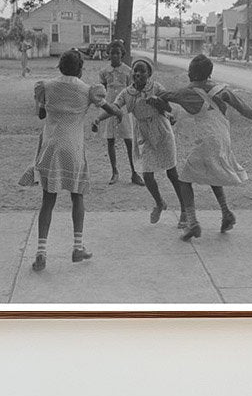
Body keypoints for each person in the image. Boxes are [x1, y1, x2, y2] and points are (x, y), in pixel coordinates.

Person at [148, 54, 252, 241]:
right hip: (223, 138)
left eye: (190, 70)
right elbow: (241, 106)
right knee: (213, 172)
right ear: (209, 74)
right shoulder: (221, 90)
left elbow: (167, 96)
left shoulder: (188, 92)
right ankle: (226, 213)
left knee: (184, 180)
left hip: (207, 140)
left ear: (192, 73)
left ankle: (192, 222)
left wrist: (155, 97)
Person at [30, 48, 123, 272]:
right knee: (77, 197)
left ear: (60, 67)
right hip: (73, 147)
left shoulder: (46, 86)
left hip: (50, 146)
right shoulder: (88, 90)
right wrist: (118, 112)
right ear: (80, 69)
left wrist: (50, 106)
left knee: (48, 201)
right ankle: (77, 247)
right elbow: (108, 109)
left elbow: (41, 115)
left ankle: (41, 252)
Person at [93, 59, 184, 225]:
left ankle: (185, 211)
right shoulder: (127, 93)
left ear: (149, 74)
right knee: (147, 174)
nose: (137, 74)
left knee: (172, 173)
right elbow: (114, 108)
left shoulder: (156, 87)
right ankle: (159, 202)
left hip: (162, 131)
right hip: (144, 134)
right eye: (135, 71)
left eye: (142, 71)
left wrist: (160, 103)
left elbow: (170, 109)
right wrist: (98, 119)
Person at [98, 40, 143, 185]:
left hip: (123, 105)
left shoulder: (128, 71)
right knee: (110, 139)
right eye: (112, 53)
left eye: (117, 53)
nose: (115, 56)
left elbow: (132, 89)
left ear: (122, 54)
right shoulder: (104, 72)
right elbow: (102, 89)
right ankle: (114, 172)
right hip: (110, 105)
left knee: (129, 140)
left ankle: (134, 172)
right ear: (108, 54)